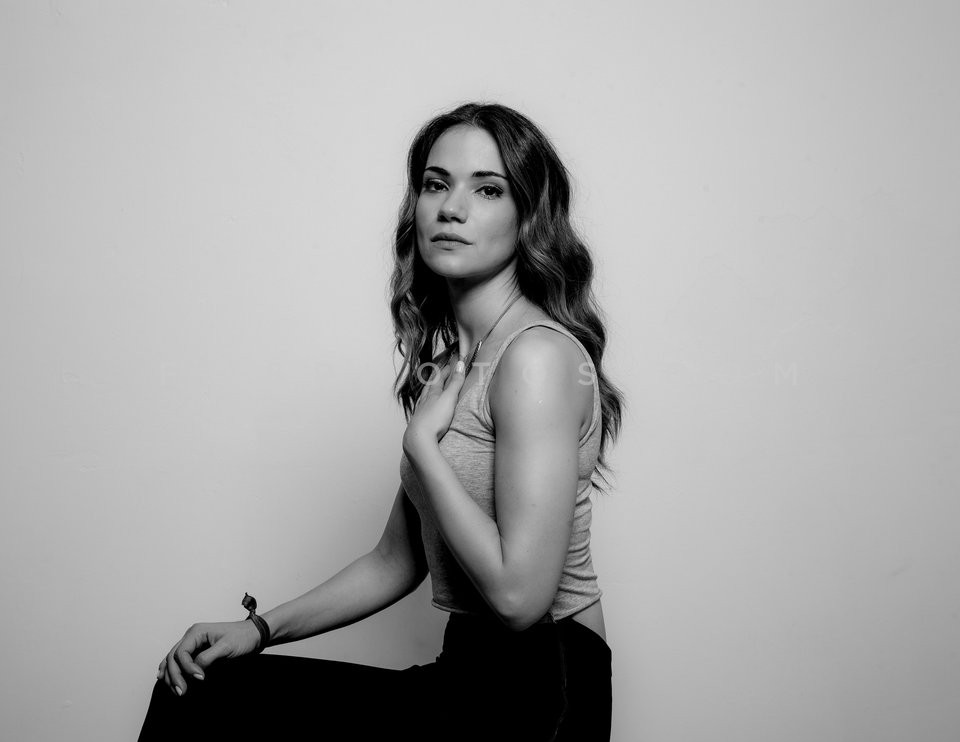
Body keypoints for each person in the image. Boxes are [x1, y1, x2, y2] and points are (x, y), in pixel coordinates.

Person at [138, 101, 624, 742]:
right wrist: (258, 629)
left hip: (543, 691)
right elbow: (395, 560)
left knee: (215, 710)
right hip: (468, 672)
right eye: (436, 184)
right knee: (204, 687)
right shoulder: (453, 368)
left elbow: (519, 599)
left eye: (488, 189)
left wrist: (422, 446)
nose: (452, 208)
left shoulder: (535, 357)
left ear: (528, 215)